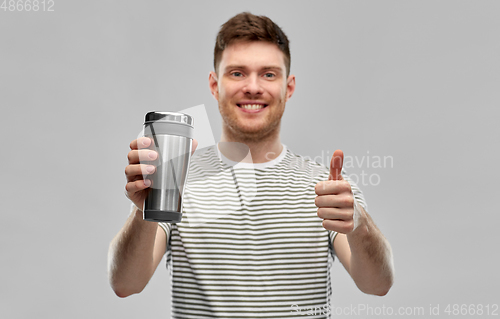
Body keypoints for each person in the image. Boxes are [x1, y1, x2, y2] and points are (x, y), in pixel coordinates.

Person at [108, 12, 394, 319]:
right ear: (215, 85)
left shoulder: (327, 185)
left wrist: (360, 225)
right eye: (237, 73)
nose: (253, 87)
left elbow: (377, 284)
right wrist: (142, 211)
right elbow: (126, 283)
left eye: (269, 74)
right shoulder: (176, 178)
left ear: (289, 87)